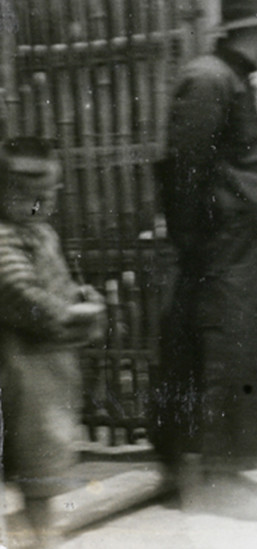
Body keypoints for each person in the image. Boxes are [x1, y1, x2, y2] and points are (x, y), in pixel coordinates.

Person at [152, 0, 257, 516]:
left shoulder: (236, 80)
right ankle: (214, 480)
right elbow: (186, 174)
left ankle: (231, 467)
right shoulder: (208, 80)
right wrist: (200, 246)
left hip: (242, 250)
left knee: (246, 353)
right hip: (221, 253)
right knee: (223, 355)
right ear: (255, 29)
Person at [0, 136, 106, 548]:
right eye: (29, 196)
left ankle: (34, 533)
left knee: (46, 459)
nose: (43, 204)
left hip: (49, 365)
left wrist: (81, 297)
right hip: (23, 367)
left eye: (49, 194)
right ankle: (40, 536)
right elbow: (17, 290)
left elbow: (58, 284)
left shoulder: (41, 233)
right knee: (37, 462)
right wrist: (64, 313)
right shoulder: (6, 238)